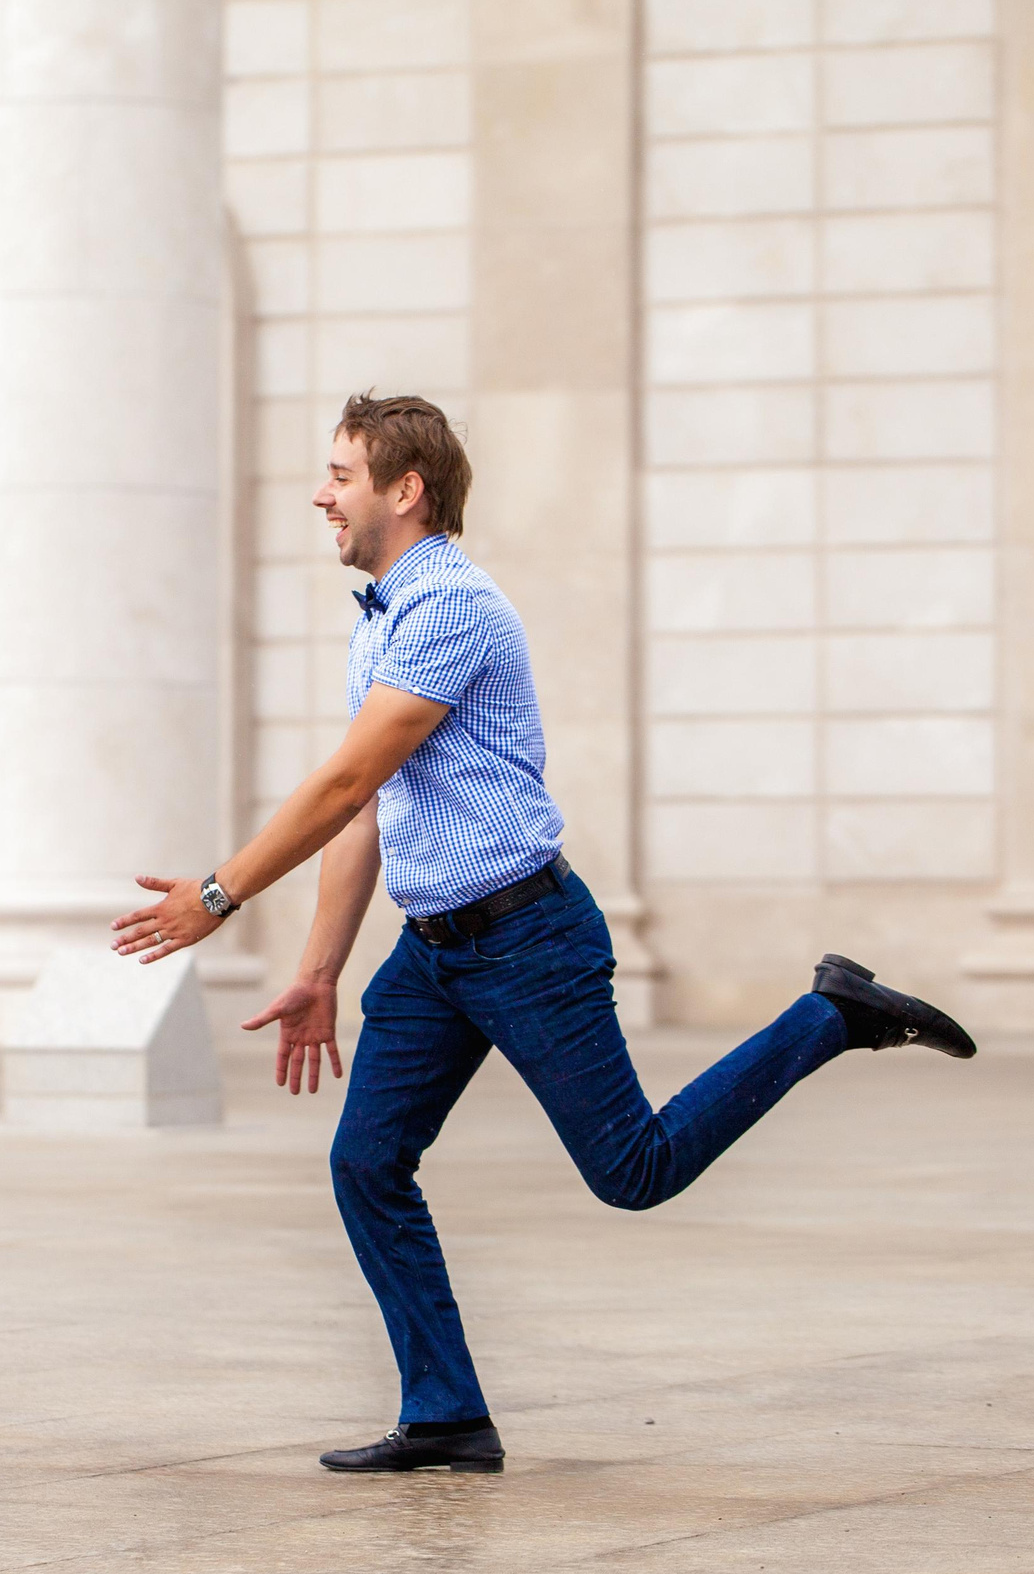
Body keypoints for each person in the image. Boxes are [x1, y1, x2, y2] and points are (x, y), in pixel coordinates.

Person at [110, 391, 975, 1475]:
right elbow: (368, 808)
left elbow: (341, 785)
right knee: (367, 1163)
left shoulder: (453, 607)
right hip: (433, 953)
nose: (320, 495)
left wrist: (217, 895)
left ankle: (830, 1015)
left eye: (339, 474)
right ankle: (445, 1414)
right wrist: (319, 970)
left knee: (634, 1169)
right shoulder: (381, 614)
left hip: (527, 938)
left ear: (404, 489)